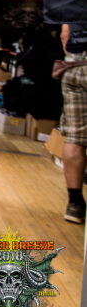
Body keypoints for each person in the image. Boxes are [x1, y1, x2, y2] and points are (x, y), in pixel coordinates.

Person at [61, 23, 87, 223]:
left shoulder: (75, 5)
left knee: (74, 137)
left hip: (74, 66)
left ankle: (74, 204)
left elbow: (65, 35)